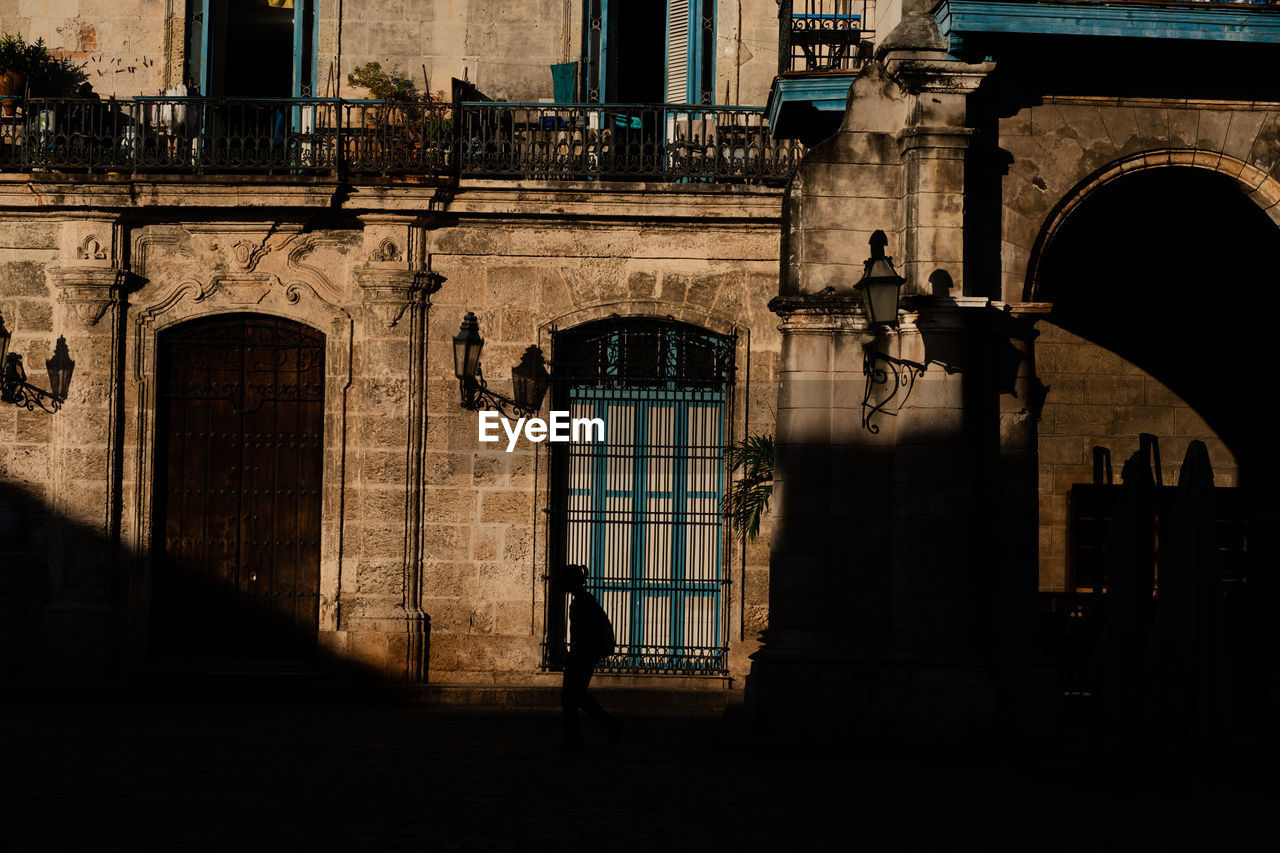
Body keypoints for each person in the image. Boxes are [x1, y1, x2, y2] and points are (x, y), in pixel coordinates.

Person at [560, 563, 621, 750]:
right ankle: (579, 737)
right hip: (584, 656)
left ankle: (608, 726)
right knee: (574, 697)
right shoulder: (585, 600)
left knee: (572, 697)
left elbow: (582, 634)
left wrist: (573, 655)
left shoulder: (580, 603)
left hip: (581, 656)